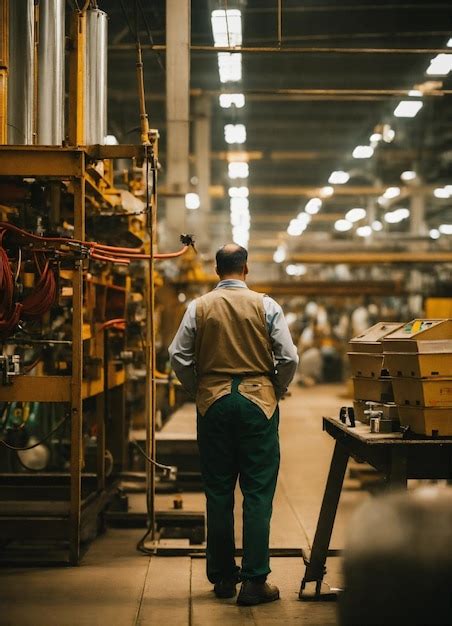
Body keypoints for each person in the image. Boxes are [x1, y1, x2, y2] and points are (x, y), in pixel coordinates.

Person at [169, 244, 298, 606]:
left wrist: (199, 388)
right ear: (246, 269)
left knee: (218, 491)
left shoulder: (199, 306)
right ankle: (255, 581)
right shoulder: (266, 305)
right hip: (259, 401)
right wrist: (277, 387)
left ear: (216, 270)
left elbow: (177, 356)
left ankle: (223, 578)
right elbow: (288, 356)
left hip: (214, 402)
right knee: (257, 492)